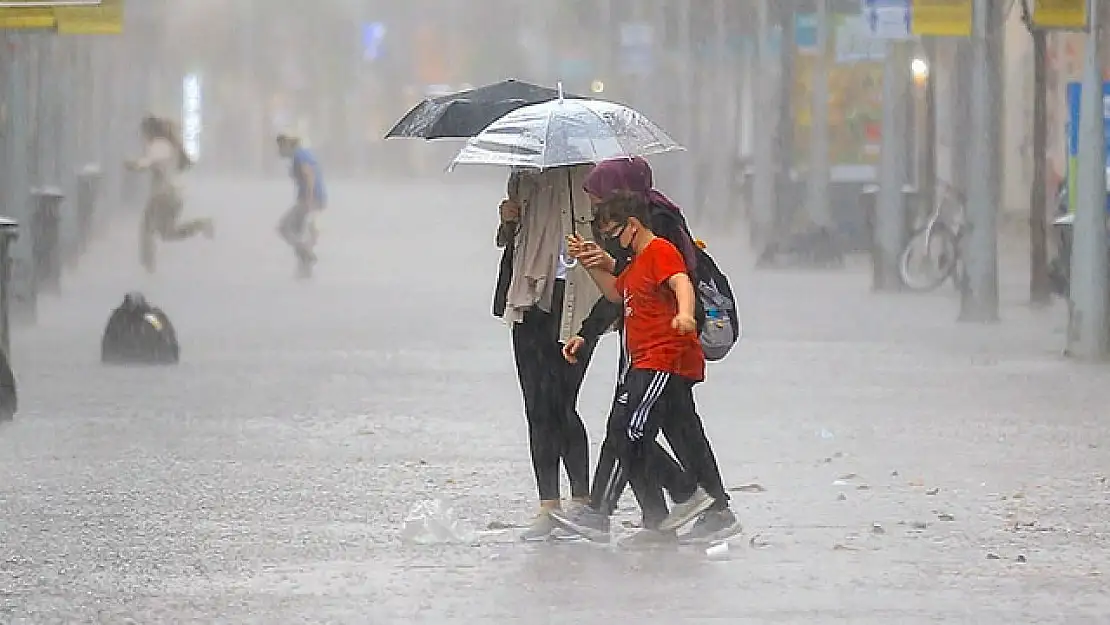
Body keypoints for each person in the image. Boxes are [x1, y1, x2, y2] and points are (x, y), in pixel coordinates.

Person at [553, 188, 740, 545]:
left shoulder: (659, 251)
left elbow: (681, 282)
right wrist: (590, 264)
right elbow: (615, 293)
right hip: (644, 360)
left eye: (613, 234)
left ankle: (686, 494)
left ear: (633, 226)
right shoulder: (636, 262)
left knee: (628, 433)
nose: (611, 242)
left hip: (660, 359)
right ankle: (664, 513)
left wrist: (685, 313)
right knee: (632, 433)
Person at [493, 164, 601, 541]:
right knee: (536, 406)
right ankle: (548, 505)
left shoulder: (589, 176)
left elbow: (610, 237)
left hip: (576, 302)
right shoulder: (522, 174)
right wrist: (508, 220)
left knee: (561, 402)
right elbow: (510, 241)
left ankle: (582, 501)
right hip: (528, 299)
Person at [126, 115, 214, 274]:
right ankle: (200, 224)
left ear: (150, 131)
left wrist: (134, 165)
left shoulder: (159, 145)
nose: (142, 136)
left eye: (143, 132)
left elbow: (150, 161)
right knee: (167, 233)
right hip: (174, 194)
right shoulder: (167, 144)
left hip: (164, 194)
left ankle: (148, 266)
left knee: (146, 227)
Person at [276, 133, 327, 278]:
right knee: (301, 232)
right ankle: (304, 269)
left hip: (310, 199)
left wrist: (309, 200)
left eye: (280, 147)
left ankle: (305, 254)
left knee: (284, 228)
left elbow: (309, 174)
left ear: (285, 144)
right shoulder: (302, 153)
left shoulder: (299, 155)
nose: (278, 151)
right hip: (313, 198)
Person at [101, 292, 180, 365]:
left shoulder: (151, 318)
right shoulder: (119, 319)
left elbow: (163, 333)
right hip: (129, 358)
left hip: (148, 358)